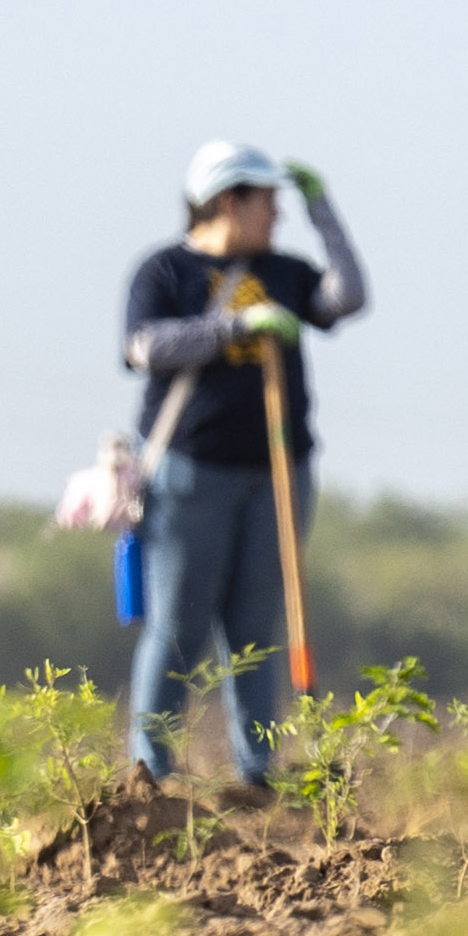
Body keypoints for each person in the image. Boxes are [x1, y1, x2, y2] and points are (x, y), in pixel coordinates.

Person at [114, 142, 369, 790]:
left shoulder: (283, 270)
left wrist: (324, 210)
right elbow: (145, 346)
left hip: (280, 470)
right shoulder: (165, 270)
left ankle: (258, 770)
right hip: (191, 470)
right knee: (178, 623)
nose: (277, 216)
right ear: (230, 201)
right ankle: (150, 769)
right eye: (270, 202)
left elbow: (347, 298)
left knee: (256, 627)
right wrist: (236, 326)